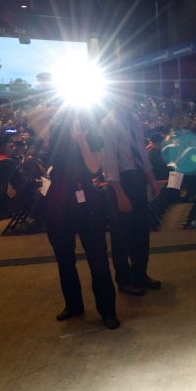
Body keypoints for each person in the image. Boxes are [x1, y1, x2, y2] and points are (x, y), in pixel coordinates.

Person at [44, 106, 119, 329]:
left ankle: (107, 311)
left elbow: (95, 167)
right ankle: (73, 305)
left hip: (88, 203)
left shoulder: (91, 131)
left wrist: (80, 140)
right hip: (60, 202)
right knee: (64, 258)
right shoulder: (55, 131)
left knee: (98, 258)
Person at [100, 96, 161, 296]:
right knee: (121, 236)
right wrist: (119, 193)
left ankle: (140, 274)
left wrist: (151, 179)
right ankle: (124, 280)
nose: (130, 95)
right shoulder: (108, 123)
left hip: (136, 177)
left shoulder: (133, 118)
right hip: (120, 181)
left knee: (142, 231)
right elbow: (109, 163)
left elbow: (142, 152)